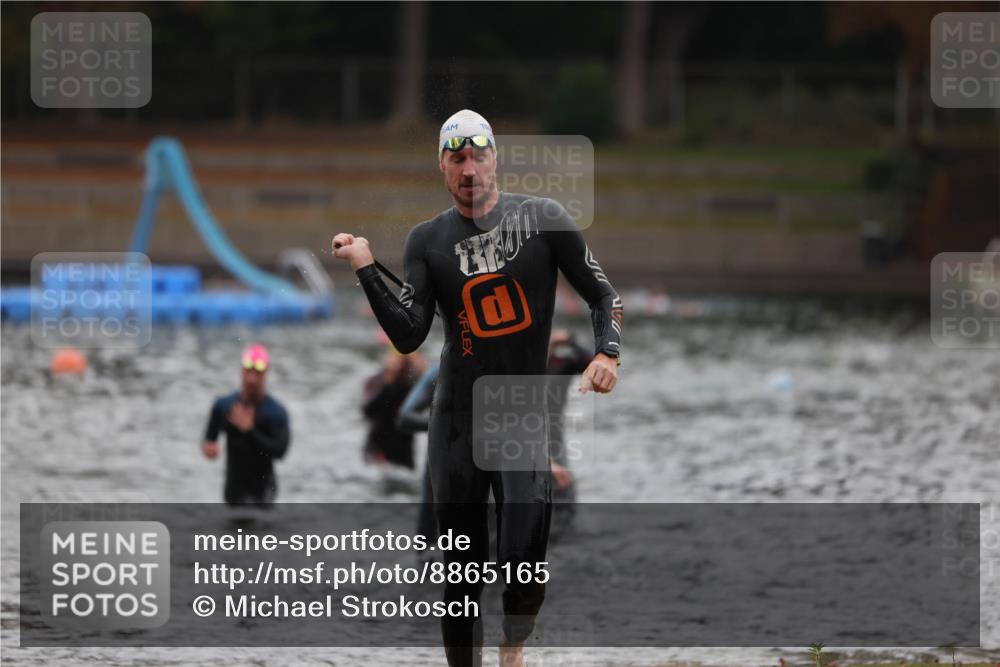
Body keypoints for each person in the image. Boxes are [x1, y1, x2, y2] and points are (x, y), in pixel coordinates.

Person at [332, 109, 622, 667]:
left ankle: (513, 646)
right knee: (461, 580)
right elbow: (410, 335)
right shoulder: (427, 240)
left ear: (495, 158)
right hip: (456, 420)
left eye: (479, 156)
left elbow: (604, 296)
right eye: (457, 158)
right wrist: (367, 266)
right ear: (442, 166)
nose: (470, 169)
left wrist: (608, 353)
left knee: (523, 564)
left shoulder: (545, 218)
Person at [202, 344, 290, 506]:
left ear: (266, 374)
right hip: (233, 493)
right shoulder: (223, 406)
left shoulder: (276, 412)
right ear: (241, 371)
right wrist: (209, 449)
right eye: (248, 371)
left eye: (258, 373)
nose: (252, 379)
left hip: (264, 495)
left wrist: (250, 431)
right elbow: (209, 439)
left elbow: (280, 452)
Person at [361, 348, 424, 470]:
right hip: (378, 449)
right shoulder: (376, 380)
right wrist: (389, 382)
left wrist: (420, 372)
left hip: (403, 451)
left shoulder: (413, 385)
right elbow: (368, 411)